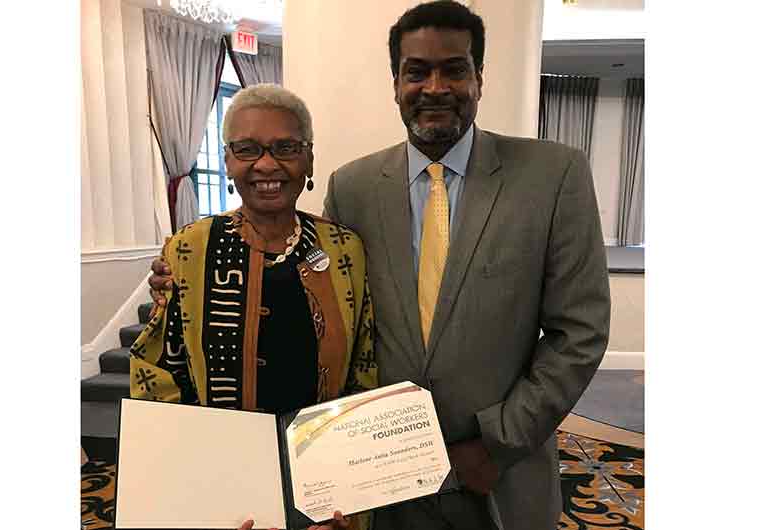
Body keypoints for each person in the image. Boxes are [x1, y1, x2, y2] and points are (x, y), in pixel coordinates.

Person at [150, 2, 610, 529]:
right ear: (395, 83)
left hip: (498, 475)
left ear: (479, 78)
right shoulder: (354, 187)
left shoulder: (552, 176)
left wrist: (495, 443)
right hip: (375, 482)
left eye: (454, 69)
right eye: (416, 71)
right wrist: (179, 279)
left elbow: (580, 333)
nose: (435, 87)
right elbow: (323, 297)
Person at [130, 84, 376, 530]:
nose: (267, 164)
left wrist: (350, 493)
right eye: (247, 149)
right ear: (228, 162)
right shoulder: (190, 248)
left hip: (324, 473)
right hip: (221, 476)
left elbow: (364, 368)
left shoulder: (344, 249)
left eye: (286, 147)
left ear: (309, 160)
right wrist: (187, 488)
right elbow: (163, 372)